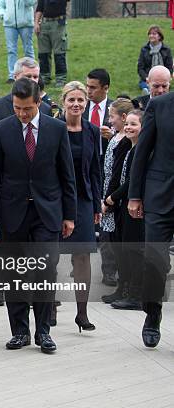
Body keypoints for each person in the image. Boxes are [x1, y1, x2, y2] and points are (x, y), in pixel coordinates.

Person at [0, 77, 76, 354]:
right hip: (11, 213)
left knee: (45, 270)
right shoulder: (1, 129)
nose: (22, 114)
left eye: (27, 109)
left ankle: (44, 331)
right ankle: (20, 331)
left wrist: (69, 215)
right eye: (17, 108)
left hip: (47, 212)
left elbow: (66, 175)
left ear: (38, 102)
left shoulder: (57, 129)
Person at [128, 89, 174, 349]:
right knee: (155, 261)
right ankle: (152, 312)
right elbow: (142, 152)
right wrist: (135, 196)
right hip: (159, 195)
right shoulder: (159, 105)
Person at [59, 81, 102, 332]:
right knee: (51, 254)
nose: (76, 104)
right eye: (71, 100)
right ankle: (49, 305)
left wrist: (97, 203)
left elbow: (95, 170)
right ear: (64, 101)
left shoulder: (92, 130)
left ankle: (82, 313)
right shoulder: (53, 127)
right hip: (56, 198)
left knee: (83, 255)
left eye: (80, 100)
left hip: (83, 199)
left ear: (86, 103)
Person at [106, 110, 144, 311]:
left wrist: (113, 197)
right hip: (122, 205)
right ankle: (124, 288)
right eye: (127, 123)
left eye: (134, 124)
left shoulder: (142, 150)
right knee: (123, 248)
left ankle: (136, 295)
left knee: (134, 250)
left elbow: (133, 181)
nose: (128, 127)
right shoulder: (127, 146)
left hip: (134, 205)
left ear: (143, 128)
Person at [100, 98, 134, 304]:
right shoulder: (116, 138)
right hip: (110, 194)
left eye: (112, 117)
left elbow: (121, 174)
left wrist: (112, 198)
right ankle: (122, 287)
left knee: (121, 245)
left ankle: (126, 287)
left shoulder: (126, 141)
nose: (110, 120)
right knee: (113, 242)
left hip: (117, 198)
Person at [0, 57, 51, 123]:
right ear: (15, 77)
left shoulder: (46, 109)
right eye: (28, 76)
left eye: (35, 77)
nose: (32, 80)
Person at [0, 0, 35, 83]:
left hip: (26, 24)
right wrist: (3, 15)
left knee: (28, 49)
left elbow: (31, 3)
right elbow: (1, 5)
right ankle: (12, 75)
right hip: (9, 24)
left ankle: (32, 73)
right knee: (11, 50)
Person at [34, 0, 68, 87]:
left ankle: (61, 78)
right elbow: (39, 8)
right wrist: (36, 23)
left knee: (59, 53)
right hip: (44, 23)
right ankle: (45, 77)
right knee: (43, 53)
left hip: (58, 23)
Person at [83, 68, 112, 164]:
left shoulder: (115, 109)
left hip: (106, 161)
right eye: (87, 86)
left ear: (105, 88)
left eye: (93, 87)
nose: (88, 91)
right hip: (84, 160)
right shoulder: (80, 108)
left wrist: (112, 136)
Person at [137, 25, 172, 94]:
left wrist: (166, 78)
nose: (151, 36)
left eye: (154, 34)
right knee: (146, 85)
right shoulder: (144, 49)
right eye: (149, 34)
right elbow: (140, 68)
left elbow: (169, 67)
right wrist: (146, 78)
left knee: (162, 87)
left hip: (163, 78)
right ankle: (148, 92)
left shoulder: (166, 50)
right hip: (147, 78)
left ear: (159, 36)